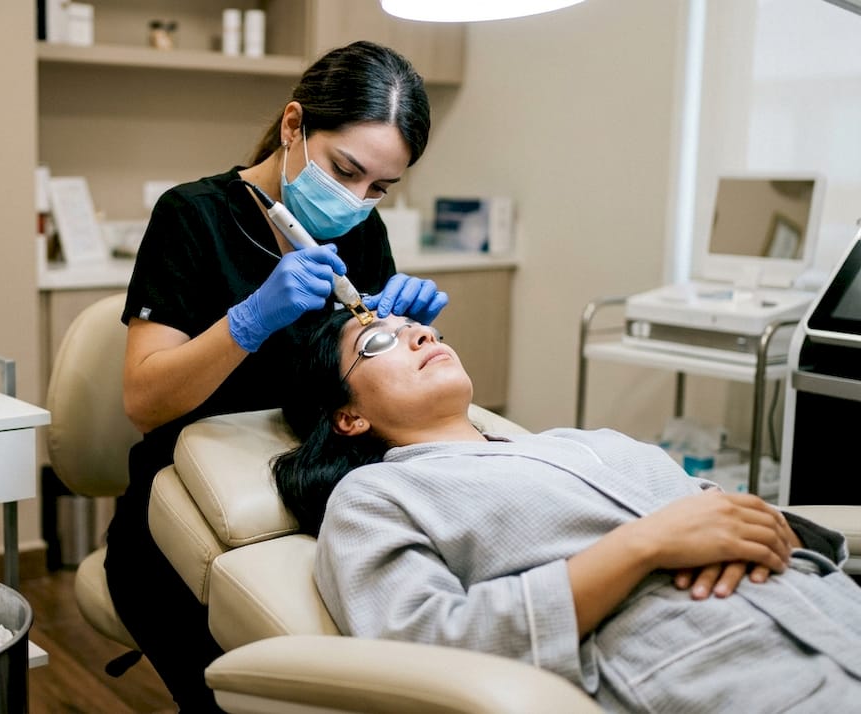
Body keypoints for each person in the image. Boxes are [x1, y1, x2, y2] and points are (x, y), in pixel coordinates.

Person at [273, 309, 861, 712]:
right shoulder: (376, 495)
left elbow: (715, 512)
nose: (423, 335)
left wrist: (761, 525)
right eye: (379, 342)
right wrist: (642, 547)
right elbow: (421, 644)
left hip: (831, 614)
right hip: (726, 673)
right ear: (348, 417)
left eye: (420, 327)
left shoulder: (585, 442)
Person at [107, 41, 449, 712]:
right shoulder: (193, 217)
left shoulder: (361, 232)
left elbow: (367, 387)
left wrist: (404, 332)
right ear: (294, 126)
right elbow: (143, 402)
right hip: (179, 506)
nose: (357, 201)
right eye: (346, 170)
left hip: (316, 490)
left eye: (379, 187)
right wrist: (249, 320)